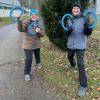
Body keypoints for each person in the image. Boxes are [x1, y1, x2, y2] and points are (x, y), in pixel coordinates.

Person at [66, 2, 93, 97]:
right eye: (74, 8)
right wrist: (68, 30)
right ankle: (72, 64)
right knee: (69, 56)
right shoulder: (69, 18)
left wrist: (87, 28)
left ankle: (83, 86)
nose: (75, 10)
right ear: (72, 9)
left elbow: (88, 32)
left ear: (80, 9)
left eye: (77, 8)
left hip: (80, 45)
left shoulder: (85, 18)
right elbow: (67, 32)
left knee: (80, 64)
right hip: (70, 44)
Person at [17, 8, 44, 81]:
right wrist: (19, 21)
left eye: (35, 15)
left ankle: (38, 62)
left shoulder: (39, 23)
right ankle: (27, 73)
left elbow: (43, 34)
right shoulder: (26, 22)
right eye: (32, 14)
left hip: (36, 44)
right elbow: (21, 29)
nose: (34, 16)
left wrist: (39, 32)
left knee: (37, 54)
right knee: (29, 59)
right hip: (28, 44)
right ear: (30, 15)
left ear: (37, 16)